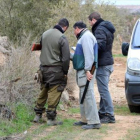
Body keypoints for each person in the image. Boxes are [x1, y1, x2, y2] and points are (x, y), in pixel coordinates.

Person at [33, 18, 70, 126]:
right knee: (55, 92)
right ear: (65, 27)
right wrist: (65, 71)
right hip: (56, 69)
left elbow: (40, 47)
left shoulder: (45, 34)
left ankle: (37, 115)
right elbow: (66, 58)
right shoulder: (62, 37)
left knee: (43, 90)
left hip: (43, 69)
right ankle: (51, 118)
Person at [72, 21, 101, 130]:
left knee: (88, 95)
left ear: (77, 28)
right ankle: (85, 119)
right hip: (84, 70)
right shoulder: (84, 36)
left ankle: (94, 121)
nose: (74, 33)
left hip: (87, 71)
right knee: (83, 95)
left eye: (74, 30)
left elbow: (89, 55)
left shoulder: (87, 37)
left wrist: (88, 70)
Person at [88, 12, 116, 123]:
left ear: (94, 20)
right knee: (104, 89)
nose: (90, 24)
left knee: (103, 90)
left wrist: (90, 49)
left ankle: (110, 115)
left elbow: (100, 46)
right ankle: (103, 112)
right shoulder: (106, 27)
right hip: (108, 62)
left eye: (90, 22)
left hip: (103, 64)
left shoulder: (99, 29)